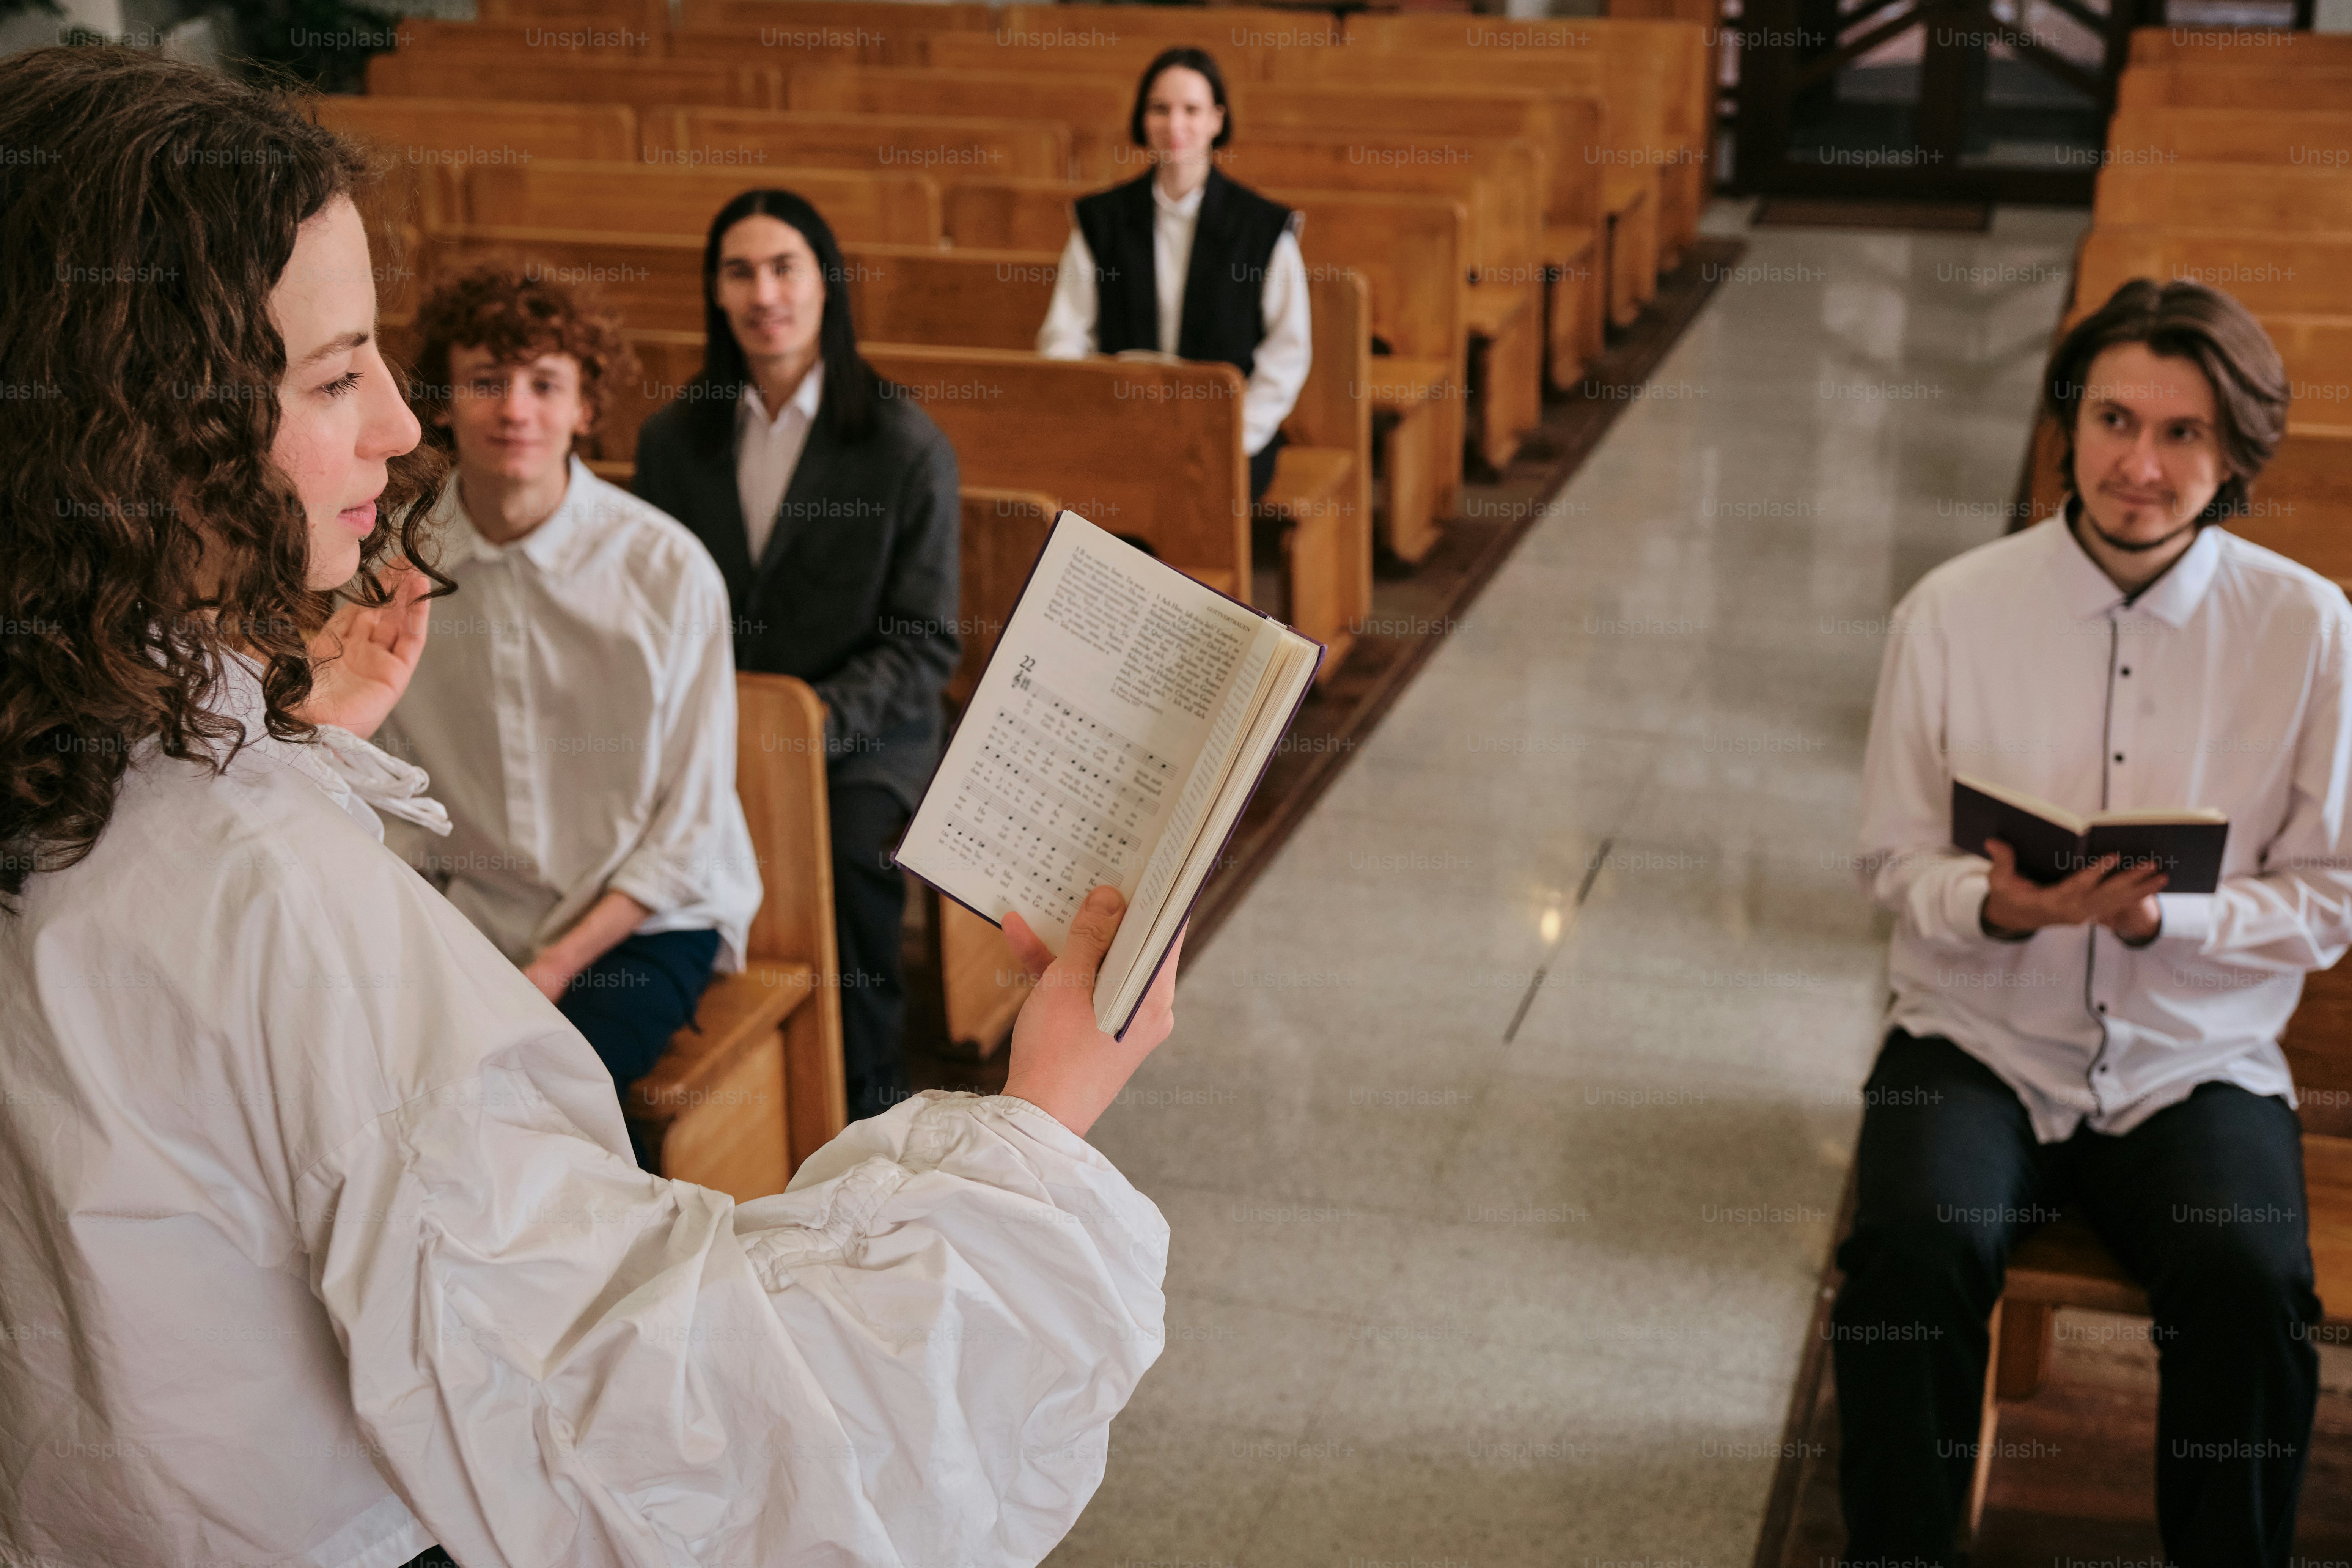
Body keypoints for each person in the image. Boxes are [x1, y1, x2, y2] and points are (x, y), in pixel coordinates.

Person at [0, 46, 1181, 1568]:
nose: (400, 429)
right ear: (155, 431)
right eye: (334, 371)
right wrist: (1040, 1125)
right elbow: (677, 1441)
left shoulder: (85, 758)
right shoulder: (267, 899)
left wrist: (290, 743)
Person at [1838, 279, 2348, 1567]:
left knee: (2251, 1290)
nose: (2140, 463)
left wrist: (2169, 918)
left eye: (2185, 434)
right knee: (1907, 1257)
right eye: (2115, 418)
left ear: (2235, 453)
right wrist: (1992, 903)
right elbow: (1891, 853)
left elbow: (2331, 896)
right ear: (2066, 422)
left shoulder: (2310, 630)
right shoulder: (1952, 609)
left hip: (2195, 1057)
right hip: (1979, 1034)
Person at [374, 264, 759, 1169]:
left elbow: (689, 829)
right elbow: (392, 802)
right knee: (372, 1091)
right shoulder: (396, 566)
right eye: (485, 382)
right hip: (477, 915)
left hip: (644, 919)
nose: (516, 409)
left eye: (545, 384)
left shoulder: (668, 571)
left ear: (586, 408)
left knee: (547, 1103)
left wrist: (546, 972)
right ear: (441, 403)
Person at [632, 190, 957, 1126]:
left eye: (785, 268)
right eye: (739, 272)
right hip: (712, 719)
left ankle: (867, 1094)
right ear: (715, 293)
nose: (763, 293)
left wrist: (804, 728)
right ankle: (706, 1095)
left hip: (860, 730)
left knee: (850, 854)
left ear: (826, 285)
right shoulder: (674, 440)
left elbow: (922, 644)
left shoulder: (903, 444)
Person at [1035, 46, 1311, 505]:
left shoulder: (1261, 229)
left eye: (1192, 110)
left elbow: (1287, 353)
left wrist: (1237, 434)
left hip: (1229, 431)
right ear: (1143, 119)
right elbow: (1064, 334)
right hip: (1124, 420)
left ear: (1217, 120)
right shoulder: (1102, 220)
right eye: (1160, 109)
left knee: (1193, 493)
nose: (1175, 125)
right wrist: (1088, 415)